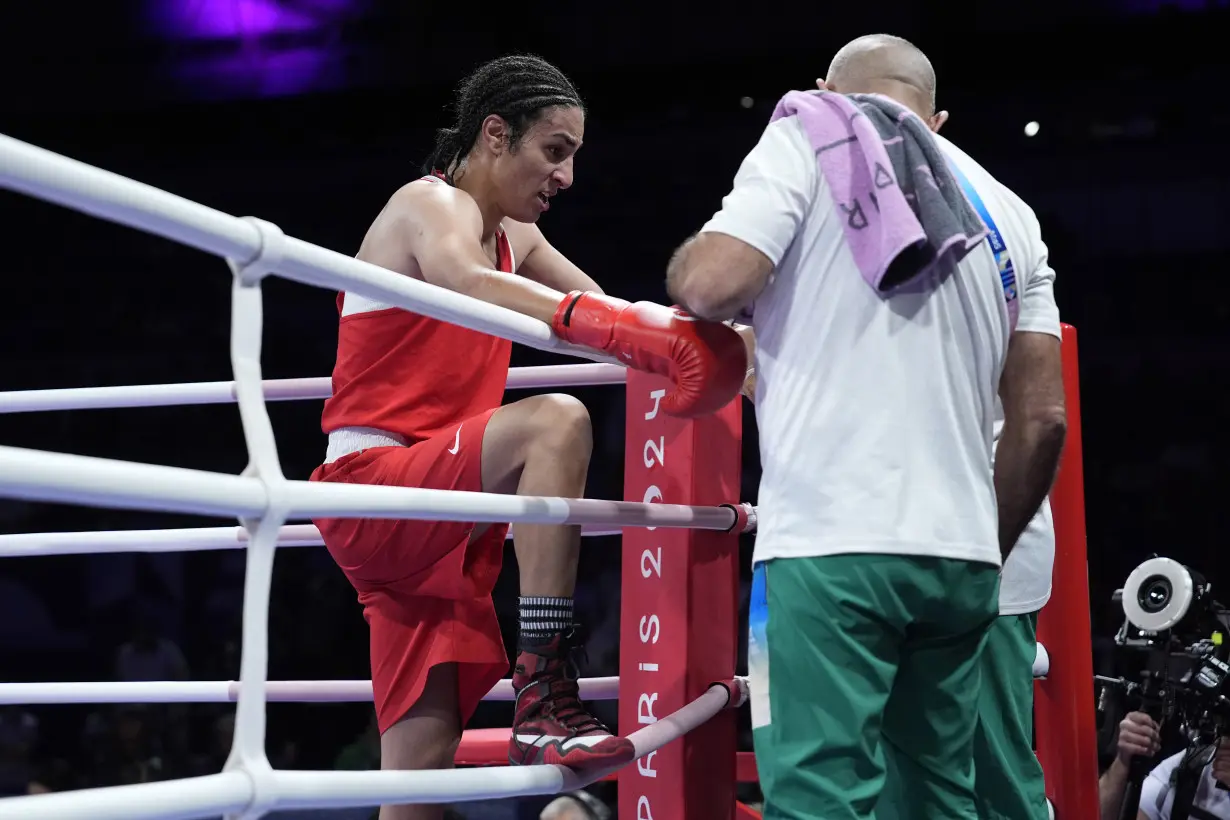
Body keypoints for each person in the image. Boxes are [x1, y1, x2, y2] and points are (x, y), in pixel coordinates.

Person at [308, 53, 745, 820]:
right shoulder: (427, 204)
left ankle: (537, 699)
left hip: (438, 517)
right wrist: (625, 330)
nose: (567, 176)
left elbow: (605, 312)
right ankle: (543, 688)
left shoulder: (513, 235)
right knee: (556, 419)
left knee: (418, 791)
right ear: (495, 135)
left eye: (573, 156)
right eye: (555, 151)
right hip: (378, 487)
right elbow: (464, 280)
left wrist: (714, 342)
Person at [664, 33, 1066, 820]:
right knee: (939, 801)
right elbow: (1044, 420)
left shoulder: (809, 130)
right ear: (935, 117)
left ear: (826, 88)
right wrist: (986, 541)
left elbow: (712, 284)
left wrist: (681, 278)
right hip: (960, 562)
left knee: (818, 800)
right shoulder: (1010, 211)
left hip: (829, 545)